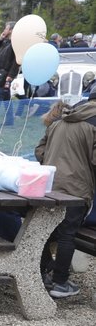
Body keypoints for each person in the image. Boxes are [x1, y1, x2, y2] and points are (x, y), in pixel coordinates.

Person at [33, 95, 96, 298]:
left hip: (50, 184)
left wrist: (51, 162)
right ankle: (60, 282)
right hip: (76, 187)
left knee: (44, 230)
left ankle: (44, 272)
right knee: (67, 233)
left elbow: (39, 149)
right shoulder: (92, 124)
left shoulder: (60, 120)